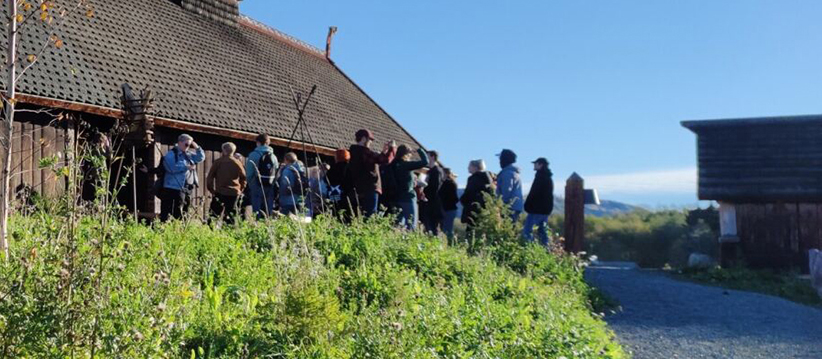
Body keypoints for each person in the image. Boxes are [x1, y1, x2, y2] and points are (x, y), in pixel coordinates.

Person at [347, 129, 396, 218]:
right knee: (370, 216)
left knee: (359, 216)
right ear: (363, 139)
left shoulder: (353, 152)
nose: (371, 142)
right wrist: (392, 148)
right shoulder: (364, 151)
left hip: (359, 188)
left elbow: (376, 160)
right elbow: (385, 160)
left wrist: (383, 152)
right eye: (370, 139)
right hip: (370, 188)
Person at [160, 134, 205, 222]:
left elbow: (201, 157)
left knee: (184, 212)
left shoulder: (188, 155)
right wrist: (186, 167)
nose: (188, 147)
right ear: (180, 142)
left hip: (185, 188)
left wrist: (196, 147)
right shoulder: (171, 154)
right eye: (186, 144)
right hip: (173, 187)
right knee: (171, 212)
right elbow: (170, 168)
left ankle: (180, 231)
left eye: (189, 145)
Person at [387, 145, 429, 230]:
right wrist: (419, 150)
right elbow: (425, 162)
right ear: (406, 154)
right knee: (411, 225)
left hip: (395, 198)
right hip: (407, 197)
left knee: (397, 225)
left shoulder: (392, 165)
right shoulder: (406, 165)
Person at [206, 142, 246, 224]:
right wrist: (240, 189)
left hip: (220, 192)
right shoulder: (238, 163)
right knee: (230, 216)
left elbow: (210, 178)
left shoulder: (218, 162)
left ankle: (211, 231)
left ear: (223, 150)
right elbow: (243, 178)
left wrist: (212, 190)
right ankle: (228, 232)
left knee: (214, 215)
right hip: (233, 193)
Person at [523, 158, 554, 245]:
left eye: (536, 163)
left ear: (540, 164)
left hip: (536, 210)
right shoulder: (548, 178)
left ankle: (530, 250)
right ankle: (545, 251)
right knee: (543, 233)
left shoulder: (540, 177)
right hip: (545, 211)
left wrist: (528, 205)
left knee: (527, 232)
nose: (534, 165)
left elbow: (534, 193)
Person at [246, 134, 278, 219]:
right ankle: (267, 226)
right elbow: (276, 172)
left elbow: (249, 172)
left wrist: (250, 183)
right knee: (268, 209)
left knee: (256, 209)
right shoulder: (273, 157)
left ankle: (257, 226)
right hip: (269, 185)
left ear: (258, 142)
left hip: (256, 185)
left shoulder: (253, 155)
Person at [460, 159, 494, 236]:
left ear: (475, 167)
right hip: (483, 208)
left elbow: (469, 193)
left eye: (470, 166)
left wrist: (463, 200)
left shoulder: (474, 179)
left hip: (472, 208)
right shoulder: (488, 179)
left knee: (470, 231)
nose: (468, 168)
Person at [496, 149, 524, 221]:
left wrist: (501, 205)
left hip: (509, 208)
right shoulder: (514, 172)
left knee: (506, 229)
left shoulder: (507, 173)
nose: (499, 161)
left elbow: (506, 190)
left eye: (500, 158)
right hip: (515, 207)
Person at [422, 151, 445, 235]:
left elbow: (435, 187)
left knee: (432, 226)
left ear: (432, 157)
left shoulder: (437, 171)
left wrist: (425, 190)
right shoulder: (430, 171)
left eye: (427, 156)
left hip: (433, 203)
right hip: (428, 201)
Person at [327, 149, 352, 219]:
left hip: (333, 192)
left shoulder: (333, 168)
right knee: (345, 211)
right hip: (345, 193)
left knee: (334, 208)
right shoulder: (348, 167)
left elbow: (326, 179)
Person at [439, 168, 460, 244]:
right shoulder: (453, 183)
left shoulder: (447, 184)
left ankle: (449, 243)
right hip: (451, 208)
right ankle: (450, 243)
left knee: (447, 229)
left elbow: (443, 196)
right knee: (448, 228)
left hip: (447, 208)